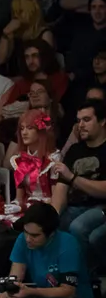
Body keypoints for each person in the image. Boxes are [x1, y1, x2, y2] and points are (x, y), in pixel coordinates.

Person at [51, 99, 106, 271]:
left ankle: (82, 278)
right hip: (74, 206)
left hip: (100, 206)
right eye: (79, 120)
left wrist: (73, 178)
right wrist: (51, 215)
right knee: (48, 224)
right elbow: (61, 188)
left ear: (102, 121)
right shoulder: (75, 150)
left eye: (87, 120)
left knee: (78, 227)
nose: (80, 125)